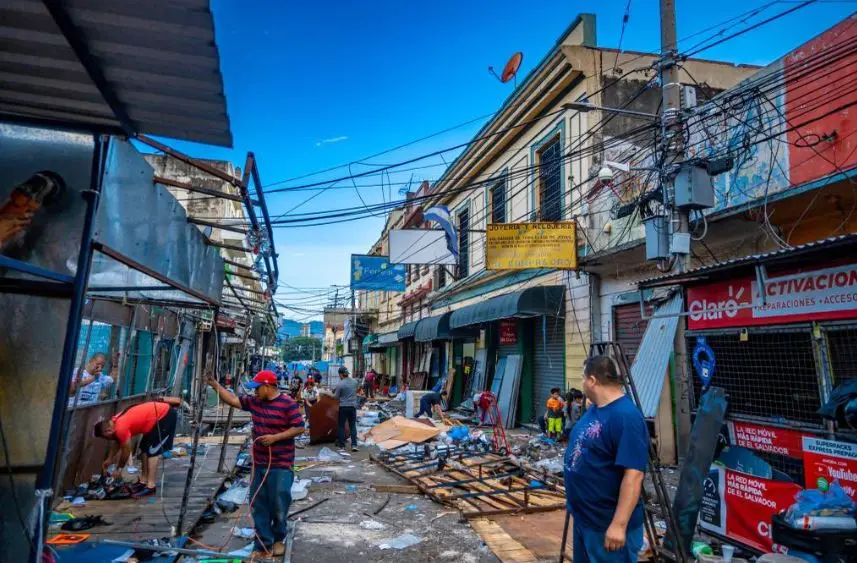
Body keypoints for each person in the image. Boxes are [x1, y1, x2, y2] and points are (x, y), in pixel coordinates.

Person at [207, 370, 304, 559]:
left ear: (267, 386)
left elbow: (299, 426)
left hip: (281, 463)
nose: (254, 393)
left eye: (257, 389)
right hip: (259, 463)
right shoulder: (255, 402)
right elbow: (234, 400)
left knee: (278, 503)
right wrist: (215, 385)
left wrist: (276, 437)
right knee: (258, 503)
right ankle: (262, 543)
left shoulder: (288, 404)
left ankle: (278, 539)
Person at [564, 356, 648, 562]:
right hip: (587, 520)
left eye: (583, 378)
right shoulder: (597, 409)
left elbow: (634, 475)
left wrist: (619, 525)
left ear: (592, 381)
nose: (582, 383)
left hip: (607, 527)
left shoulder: (626, 417)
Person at [93, 396, 186, 498]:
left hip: (164, 415)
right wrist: (110, 459)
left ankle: (151, 486)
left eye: (106, 438)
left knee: (152, 451)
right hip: (153, 419)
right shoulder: (114, 421)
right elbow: (118, 441)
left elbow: (126, 451)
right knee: (144, 450)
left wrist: (119, 469)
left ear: (108, 431)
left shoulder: (120, 427)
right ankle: (143, 481)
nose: (108, 440)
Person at [330, 366, 359, 452]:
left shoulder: (340, 384)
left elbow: (335, 397)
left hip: (343, 407)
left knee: (341, 426)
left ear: (340, 374)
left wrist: (327, 393)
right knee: (352, 426)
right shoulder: (355, 382)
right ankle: (354, 445)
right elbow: (352, 390)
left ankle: (342, 445)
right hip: (353, 406)